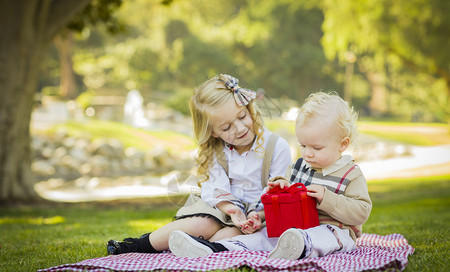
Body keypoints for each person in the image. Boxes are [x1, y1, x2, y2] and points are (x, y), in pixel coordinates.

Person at [168, 91, 372, 260]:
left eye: (316, 147)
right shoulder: (300, 167)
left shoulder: (350, 174)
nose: (308, 153)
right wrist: (261, 215)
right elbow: (287, 203)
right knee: (263, 236)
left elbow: (361, 212)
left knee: (320, 236)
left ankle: (299, 247)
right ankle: (214, 249)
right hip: (293, 227)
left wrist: (327, 199)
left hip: (334, 230)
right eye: (303, 145)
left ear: (342, 144)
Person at [106, 74, 292, 255]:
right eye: (226, 127)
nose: (240, 128)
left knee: (228, 237)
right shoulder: (218, 152)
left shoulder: (276, 146)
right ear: (212, 132)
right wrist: (231, 209)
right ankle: (137, 246)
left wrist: (255, 217)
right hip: (224, 208)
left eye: (242, 116)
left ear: (249, 108)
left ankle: (199, 246)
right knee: (201, 224)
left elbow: (278, 191)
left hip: (262, 215)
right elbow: (215, 187)